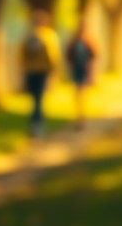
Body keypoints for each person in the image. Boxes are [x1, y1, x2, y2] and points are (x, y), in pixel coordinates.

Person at [21, 9, 62, 138]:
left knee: (34, 99)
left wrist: (25, 68)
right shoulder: (49, 36)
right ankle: (38, 126)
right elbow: (53, 56)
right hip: (42, 71)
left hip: (30, 71)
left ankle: (34, 125)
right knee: (39, 100)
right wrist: (53, 71)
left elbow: (21, 54)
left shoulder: (29, 36)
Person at [65, 19, 98, 130]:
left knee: (81, 93)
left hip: (84, 70)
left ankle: (81, 116)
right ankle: (80, 116)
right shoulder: (75, 42)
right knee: (78, 94)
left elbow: (93, 55)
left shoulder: (87, 41)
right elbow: (68, 56)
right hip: (77, 70)